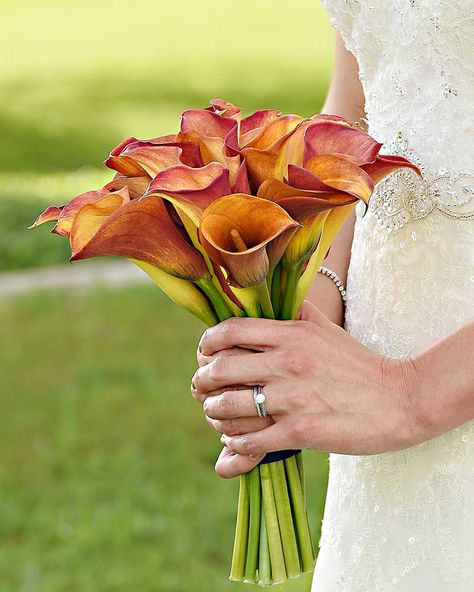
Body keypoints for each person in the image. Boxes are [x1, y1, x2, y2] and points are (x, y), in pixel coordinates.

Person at [191, 1, 474, 589]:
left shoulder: (399, 400)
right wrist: (303, 307)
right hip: (377, 450)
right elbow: (359, 108)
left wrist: (408, 395)